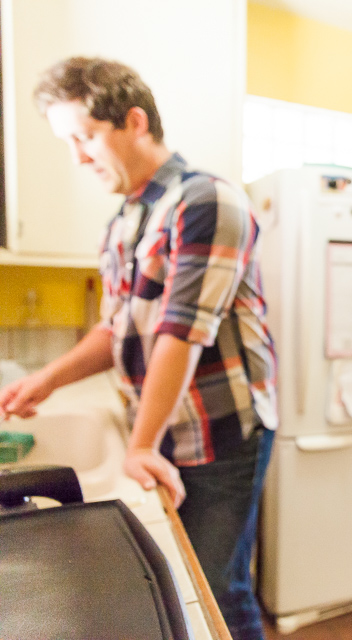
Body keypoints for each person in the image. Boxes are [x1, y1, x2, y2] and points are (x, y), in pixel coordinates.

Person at [0, 56, 278, 640]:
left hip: (219, 431)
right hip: (162, 426)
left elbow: (182, 331)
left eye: (85, 137)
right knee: (180, 581)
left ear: (133, 121)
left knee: (216, 586)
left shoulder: (207, 201)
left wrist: (140, 443)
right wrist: (44, 381)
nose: (77, 156)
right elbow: (119, 328)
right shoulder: (124, 221)